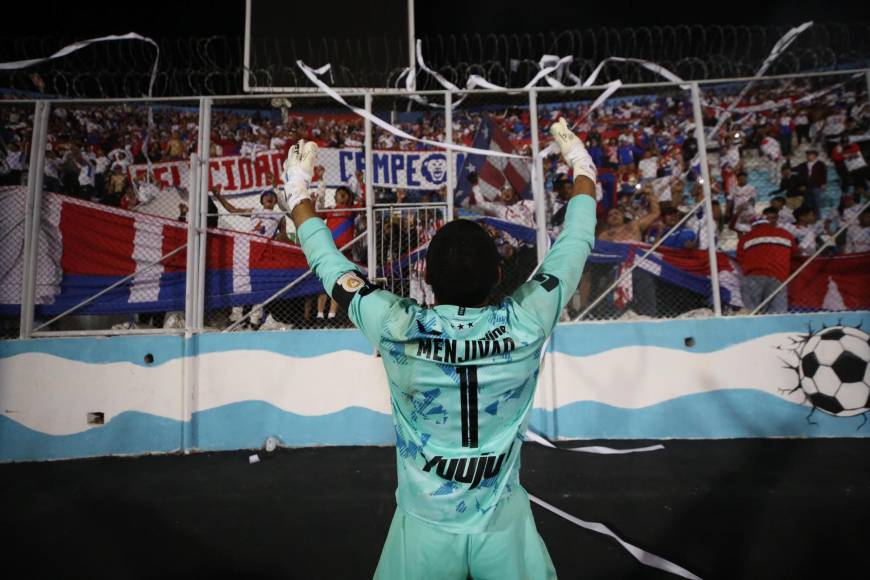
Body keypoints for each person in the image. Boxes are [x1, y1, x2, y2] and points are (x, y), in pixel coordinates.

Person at [279, 117, 597, 580]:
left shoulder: (397, 324)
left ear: (425, 277)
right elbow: (576, 240)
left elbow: (330, 266)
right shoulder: (527, 319)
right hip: (502, 525)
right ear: (497, 278)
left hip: (423, 529)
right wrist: (580, 162)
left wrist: (298, 190)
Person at [212, 184, 291, 328]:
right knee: (241, 279)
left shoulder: (280, 216)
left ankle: (255, 318)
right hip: (247, 249)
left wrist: (273, 243)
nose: (270, 197)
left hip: (264, 251)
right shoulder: (255, 211)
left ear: (275, 201)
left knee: (259, 282)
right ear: (261, 200)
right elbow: (232, 210)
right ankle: (236, 315)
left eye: (273, 196)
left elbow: (283, 234)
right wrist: (218, 196)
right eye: (267, 195)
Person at [736, 212, 798, 314]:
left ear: (753, 226)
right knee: (778, 312)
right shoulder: (785, 234)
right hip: (779, 276)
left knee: (751, 311)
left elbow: (740, 258)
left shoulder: (746, 237)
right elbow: (794, 254)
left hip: (754, 276)